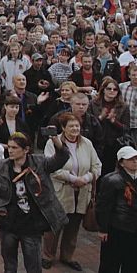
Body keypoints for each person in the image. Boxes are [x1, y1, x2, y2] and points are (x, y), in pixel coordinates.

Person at [0, 132, 69, 273]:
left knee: (33, 266)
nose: (10, 150)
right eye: (9, 147)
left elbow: (62, 157)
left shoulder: (40, 163)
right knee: (9, 266)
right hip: (8, 223)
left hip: (31, 225)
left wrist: (55, 140)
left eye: (15, 148)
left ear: (26, 149)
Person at [41, 112, 101, 271]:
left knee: (73, 227)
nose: (75, 129)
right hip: (61, 192)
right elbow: (50, 168)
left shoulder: (87, 143)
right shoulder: (53, 143)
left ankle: (67, 256)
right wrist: (74, 179)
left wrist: (87, 177)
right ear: (63, 127)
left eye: (77, 126)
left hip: (81, 193)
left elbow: (97, 166)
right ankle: (48, 256)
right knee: (54, 227)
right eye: (71, 126)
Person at [96, 145, 137, 273]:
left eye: (136, 158)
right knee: (110, 264)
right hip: (116, 228)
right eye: (131, 159)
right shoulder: (111, 180)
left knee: (131, 264)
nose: (135, 161)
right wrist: (103, 229)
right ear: (121, 162)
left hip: (134, 228)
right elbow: (103, 207)